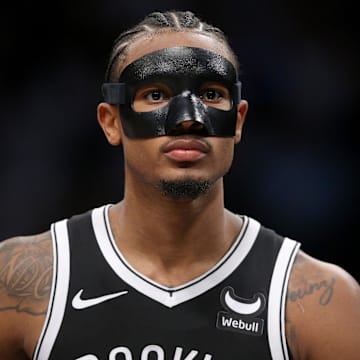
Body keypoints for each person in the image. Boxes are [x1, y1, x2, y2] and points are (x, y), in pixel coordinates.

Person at [0, 9, 359, 360]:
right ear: (111, 122)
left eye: (211, 95)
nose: (188, 119)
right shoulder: (18, 283)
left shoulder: (319, 300)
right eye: (156, 95)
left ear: (237, 122)